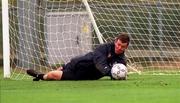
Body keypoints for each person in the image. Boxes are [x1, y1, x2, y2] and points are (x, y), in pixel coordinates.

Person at [27, 32, 130, 81]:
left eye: (122, 46)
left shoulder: (122, 61)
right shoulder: (103, 48)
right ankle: (40, 76)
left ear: (126, 47)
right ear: (115, 41)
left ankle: (48, 74)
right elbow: (100, 64)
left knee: (55, 74)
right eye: (118, 44)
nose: (119, 47)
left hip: (87, 77)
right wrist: (111, 73)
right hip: (78, 67)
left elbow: (120, 73)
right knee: (52, 75)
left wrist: (120, 76)